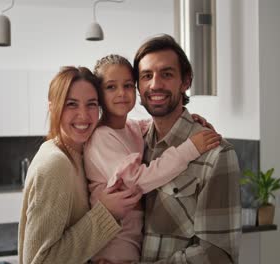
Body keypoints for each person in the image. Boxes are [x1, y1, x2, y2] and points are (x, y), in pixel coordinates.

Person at [84, 54, 221, 263]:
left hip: (133, 240)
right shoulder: (101, 137)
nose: (121, 93)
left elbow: (152, 125)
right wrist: (190, 148)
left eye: (128, 85)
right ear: (98, 94)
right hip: (113, 247)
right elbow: (138, 180)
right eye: (111, 87)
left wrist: (189, 120)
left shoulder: (131, 128)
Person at [134, 34, 242, 263]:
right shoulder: (133, 144)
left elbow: (217, 254)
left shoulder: (216, 154)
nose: (155, 84)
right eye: (146, 76)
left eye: (166, 74)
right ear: (138, 86)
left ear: (186, 81)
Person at [18, 66, 143, 264]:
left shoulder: (80, 151)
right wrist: (105, 214)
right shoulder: (56, 164)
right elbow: (39, 261)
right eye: (71, 104)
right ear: (52, 107)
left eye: (91, 104)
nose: (83, 115)